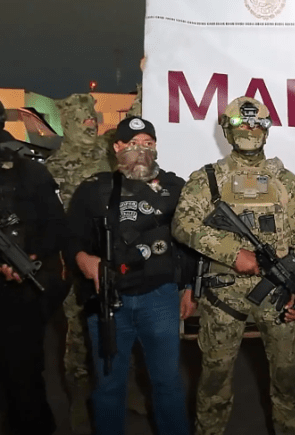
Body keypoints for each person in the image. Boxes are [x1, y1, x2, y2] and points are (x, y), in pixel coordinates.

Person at [171, 96, 295, 435]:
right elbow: (183, 224)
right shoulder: (207, 179)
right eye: (240, 122)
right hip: (224, 295)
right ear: (226, 130)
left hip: (278, 294)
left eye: (256, 122)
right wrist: (233, 253)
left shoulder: (287, 182)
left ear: (267, 129)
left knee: (287, 378)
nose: (249, 128)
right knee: (214, 380)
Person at [67, 116, 193, 435]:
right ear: (117, 147)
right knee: (109, 384)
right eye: (133, 144)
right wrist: (84, 258)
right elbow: (70, 239)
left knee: (167, 382)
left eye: (148, 144)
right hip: (109, 298)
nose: (141, 150)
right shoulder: (94, 189)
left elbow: (191, 243)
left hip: (160, 297)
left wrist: (191, 288)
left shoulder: (175, 188)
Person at [0, 88, 68, 434]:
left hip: (10, 298)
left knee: (24, 391)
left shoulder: (26, 171)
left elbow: (55, 227)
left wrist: (29, 257)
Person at [45, 93, 115, 434]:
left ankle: (124, 386)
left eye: (92, 119)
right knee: (77, 331)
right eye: (82, 120)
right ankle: (78, 395)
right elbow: (48, 219)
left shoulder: (109, 153)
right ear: (68, 123)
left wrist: (150, 77)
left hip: (113, 253)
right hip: (74, 260)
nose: (90, 124)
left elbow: (141, 118)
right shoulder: (53, 167)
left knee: (119, 324)